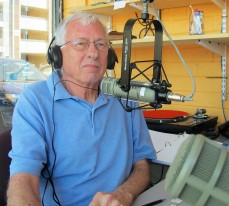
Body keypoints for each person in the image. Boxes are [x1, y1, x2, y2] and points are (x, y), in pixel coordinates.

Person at [7, 11, 157, 206]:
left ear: (109, 56)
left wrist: (124, 194)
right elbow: (24, 177)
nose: (93, 53)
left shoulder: (126, 95)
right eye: (81, 43)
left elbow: (142, 164)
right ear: (57, 54)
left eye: (101, 44)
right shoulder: (34, 101)